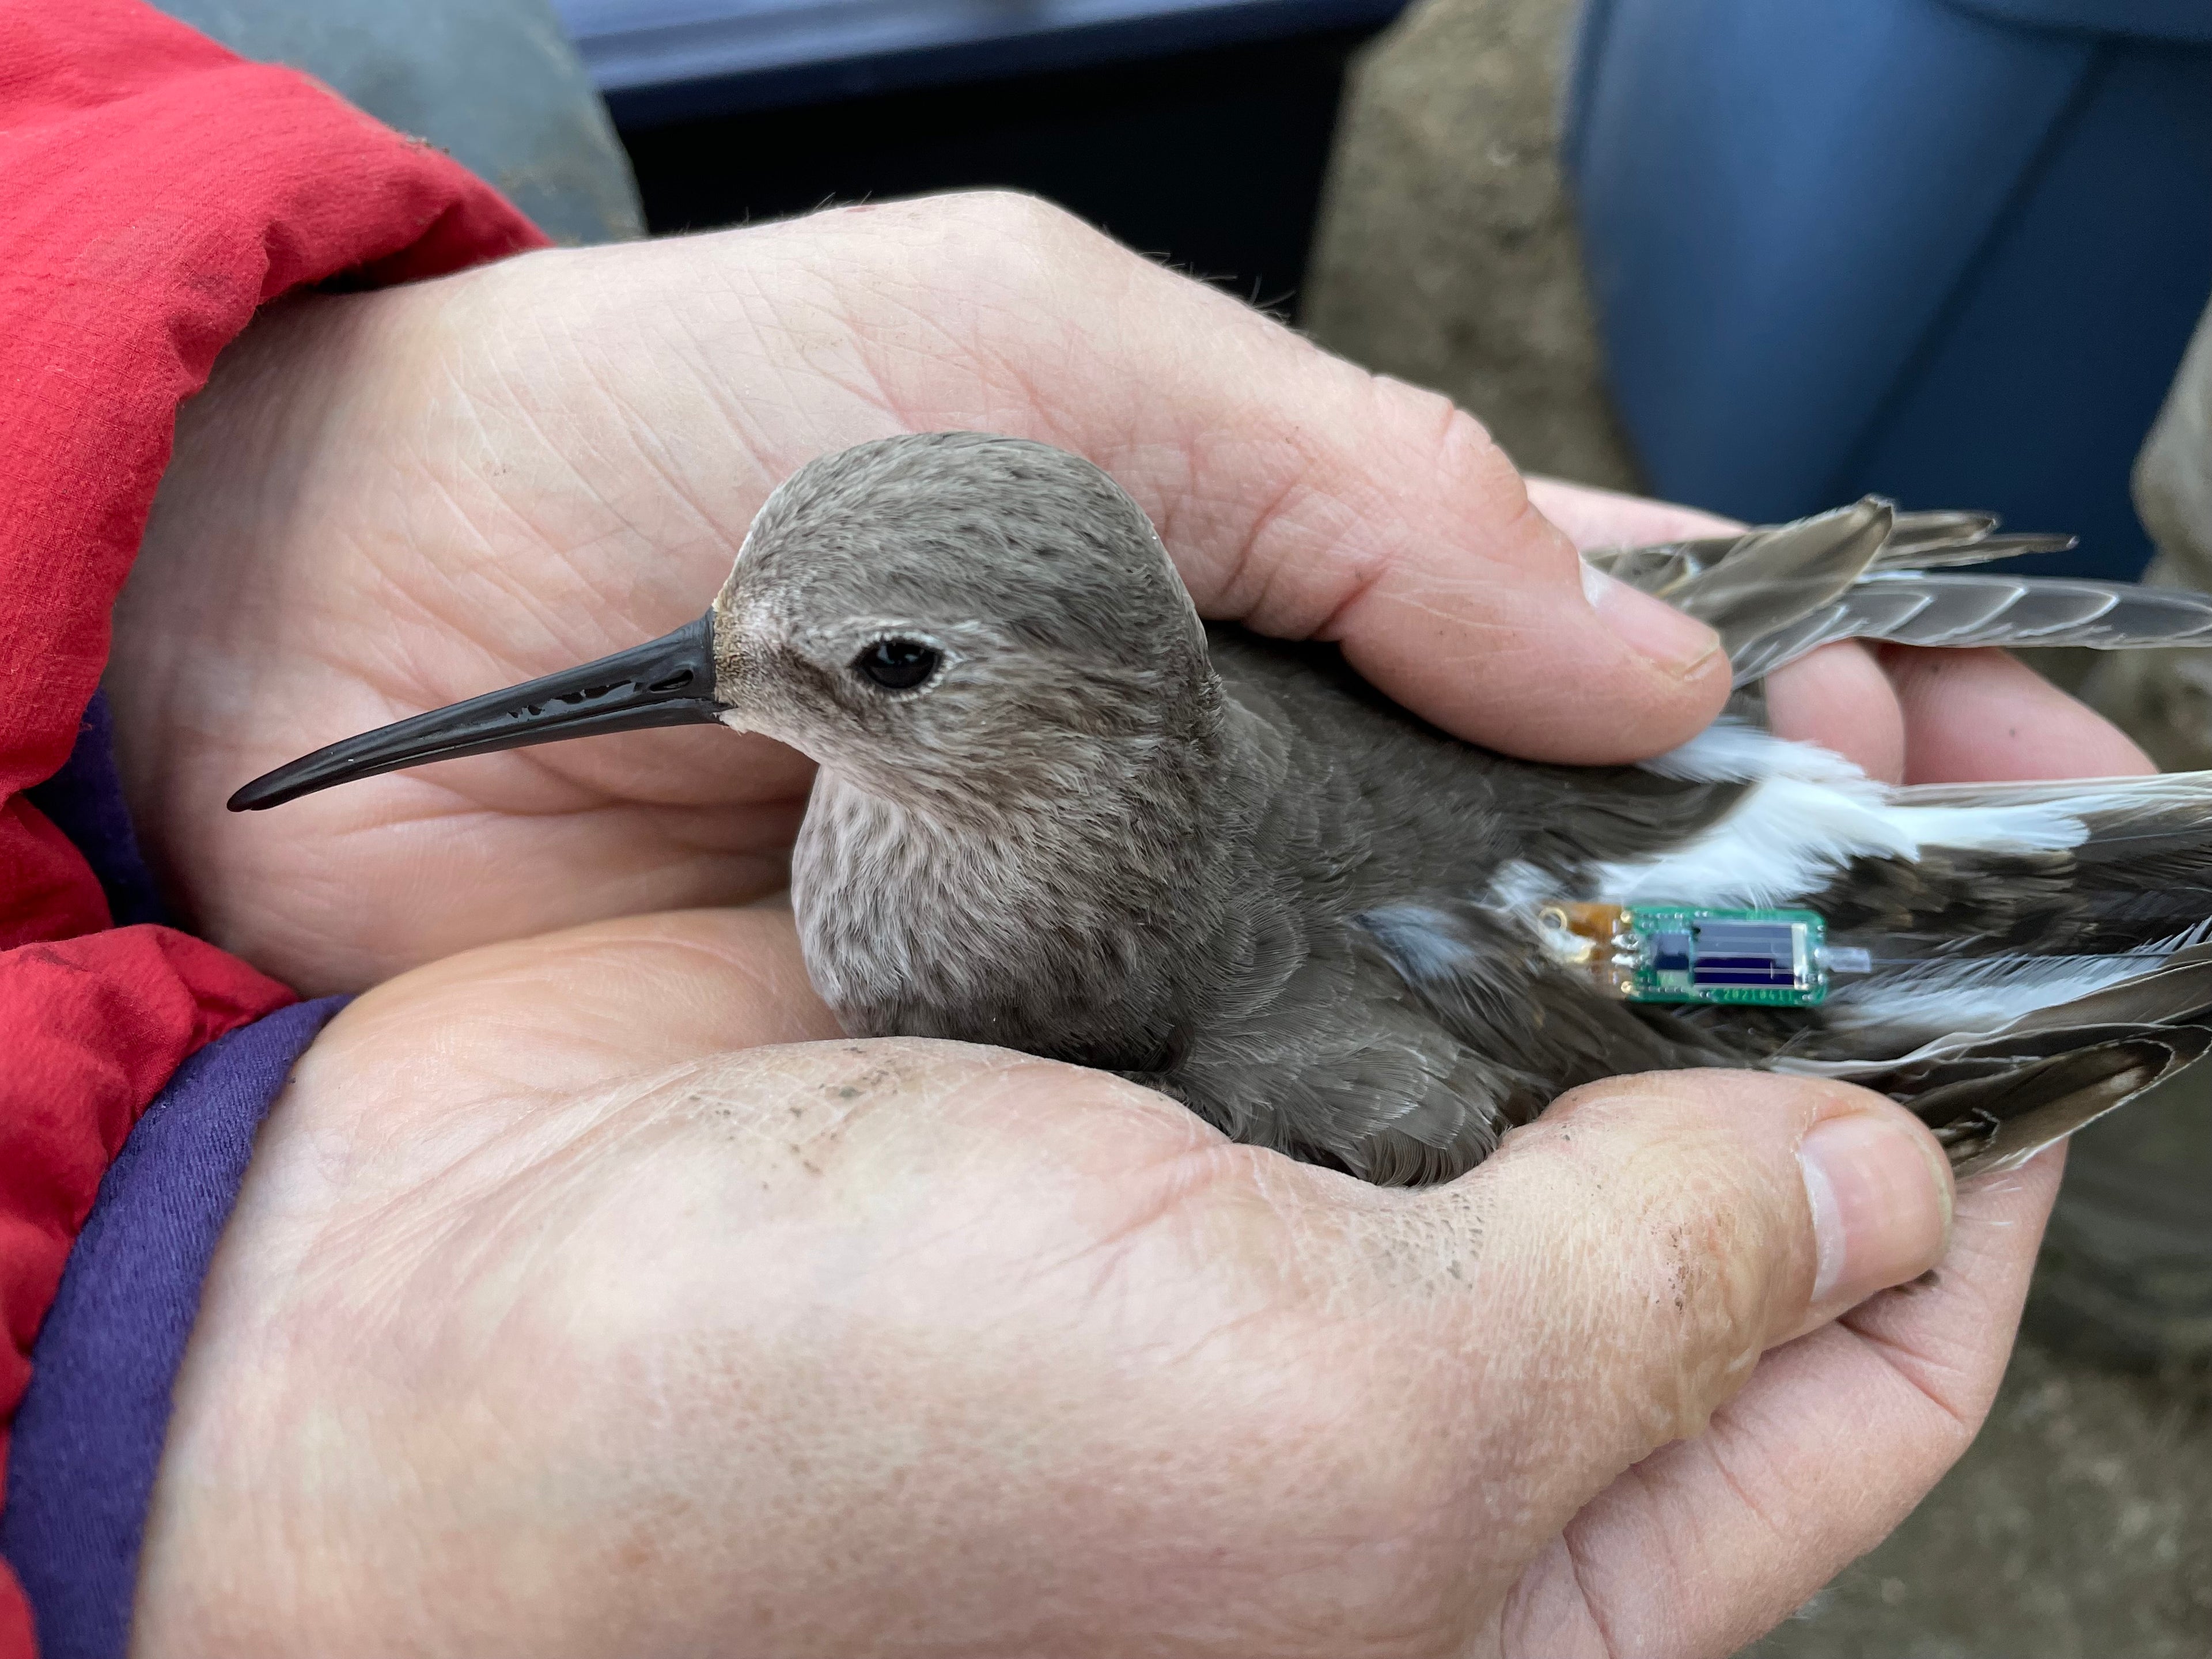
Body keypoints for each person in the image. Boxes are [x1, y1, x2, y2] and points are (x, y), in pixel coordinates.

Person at [0, 4, 2154, 1654]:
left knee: (1791, 987)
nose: (695, 678)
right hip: (1629, 862)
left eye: (881, 672)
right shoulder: (1203, 645)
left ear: (1078, 703)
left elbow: (1637, 918)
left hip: (1645, 953)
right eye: (745, 627)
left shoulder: (1301, 1066)